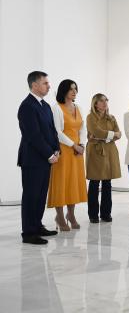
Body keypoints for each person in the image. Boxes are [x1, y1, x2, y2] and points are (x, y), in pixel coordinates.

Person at [17, 71, 60, 244]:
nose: (49, 86)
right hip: (33, 159)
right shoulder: (27, 106)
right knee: (31, 196)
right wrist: (49, 154)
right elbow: (33, 135)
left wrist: (56, 149)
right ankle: (28, 233)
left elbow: (51, 130)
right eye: (45, 83)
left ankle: (37, 225)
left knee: (41, 195)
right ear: (34, 85)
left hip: (46, 158)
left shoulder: (45, 105)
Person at [47, 79, 88, 231]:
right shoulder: (56, 108)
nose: (74, 91)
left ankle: (71, 215)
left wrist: (82, 145)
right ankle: (59, 216)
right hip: (64, 151)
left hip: (77, 152)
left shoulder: (78, 107)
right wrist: (74, 146)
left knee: (73, 183)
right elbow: (57, 132)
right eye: (71, 89)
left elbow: (83, 128)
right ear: (63, 90)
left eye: (76, 89)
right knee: (61, 182)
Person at [85, 93, 122, 223]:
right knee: (94, 183)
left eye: (106, 100)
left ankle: (106, 214)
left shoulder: (111, 118)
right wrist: (111, 135)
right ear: (95, 103)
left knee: (107, 183)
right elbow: (96, 132)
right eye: (101, 101)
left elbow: (120, 134)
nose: (105, 103)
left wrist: (105, 136)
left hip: (110, 152)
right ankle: (93, 215)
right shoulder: (90, 117)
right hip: (95, 152)